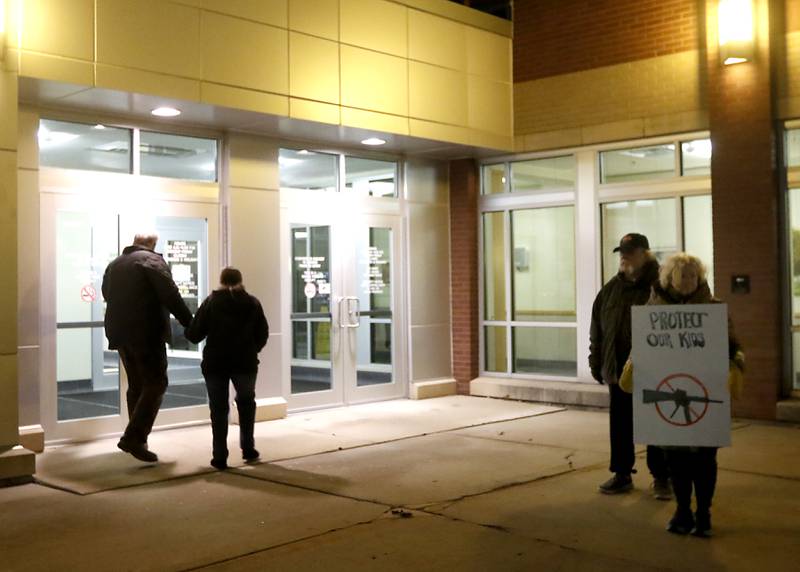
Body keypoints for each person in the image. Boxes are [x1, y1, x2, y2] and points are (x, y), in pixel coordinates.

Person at [622, 253, 744, 537]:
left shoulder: (714, 310)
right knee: (675, 461)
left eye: (693, 275)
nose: (688, 281)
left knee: (704, 460)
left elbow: (733, 344)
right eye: (682, 275)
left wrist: (737, 364)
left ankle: (703, 513)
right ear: (669, 278)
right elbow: (642, 346)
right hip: (668, 394)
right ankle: (682, 511)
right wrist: (632, 364)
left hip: (706, 395)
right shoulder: (653, 311)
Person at [589, 233, 670, 497]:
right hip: (618, 370)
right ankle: (621, 473)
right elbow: (597, 330)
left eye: (630, 252)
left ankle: (661, 477)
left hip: (653, 371)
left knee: (656, 424)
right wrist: (597, 361)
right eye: (621, 252)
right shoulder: (610, 289)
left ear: (645, 254)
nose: (624, 256)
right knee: (621, 425)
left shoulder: (662, 287)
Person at [102, 233, 193, 463]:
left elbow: (106, 294)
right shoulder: (152, 261)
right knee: (156, 382)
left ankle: (139, 441)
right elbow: (170, 295)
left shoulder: (114, 265)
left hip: (119, 332)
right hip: (146, 331)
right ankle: (134, 437)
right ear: (152, 244)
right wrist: (190, 324)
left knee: (137, 385)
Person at [185, 267, 269, 470]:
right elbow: (263, 333)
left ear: (221, 281)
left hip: (216, 362)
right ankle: (248, 449)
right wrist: (251, 349)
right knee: (247, 403)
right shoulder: (252, 303)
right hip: (245, 362)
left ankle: (220, 456)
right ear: (241, 280)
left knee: (219, 408)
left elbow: (195, 334)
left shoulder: (211, 303)